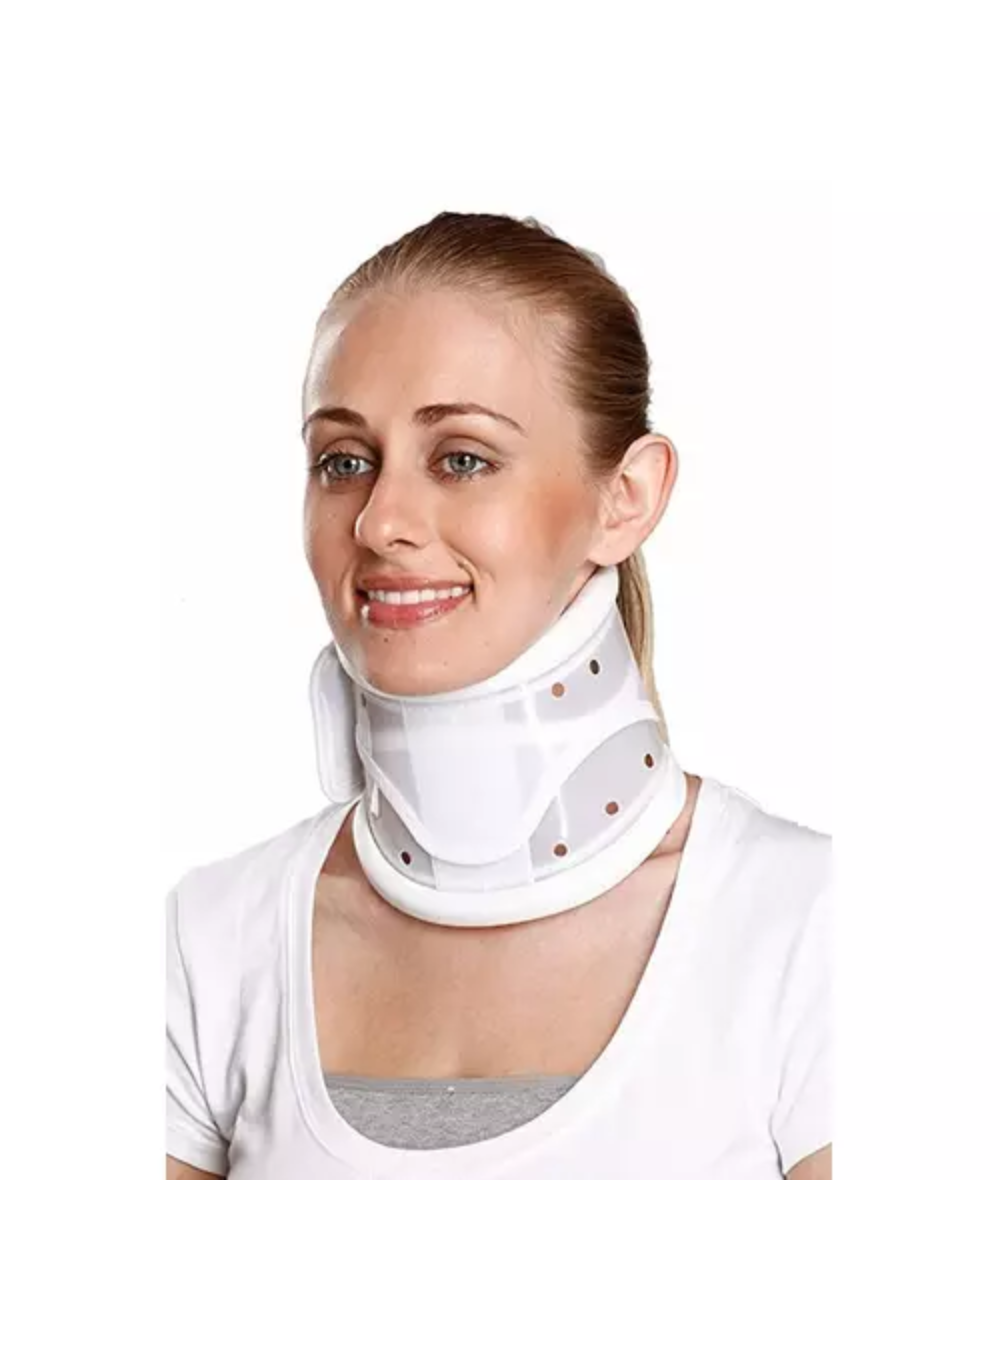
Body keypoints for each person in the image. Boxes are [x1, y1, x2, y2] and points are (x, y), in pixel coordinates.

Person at [165, 211, 832, 1180]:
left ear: (627, 497)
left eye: (462, 459)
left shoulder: (809, 929)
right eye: (344, 461)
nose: (381, 522)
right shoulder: (211, 941)